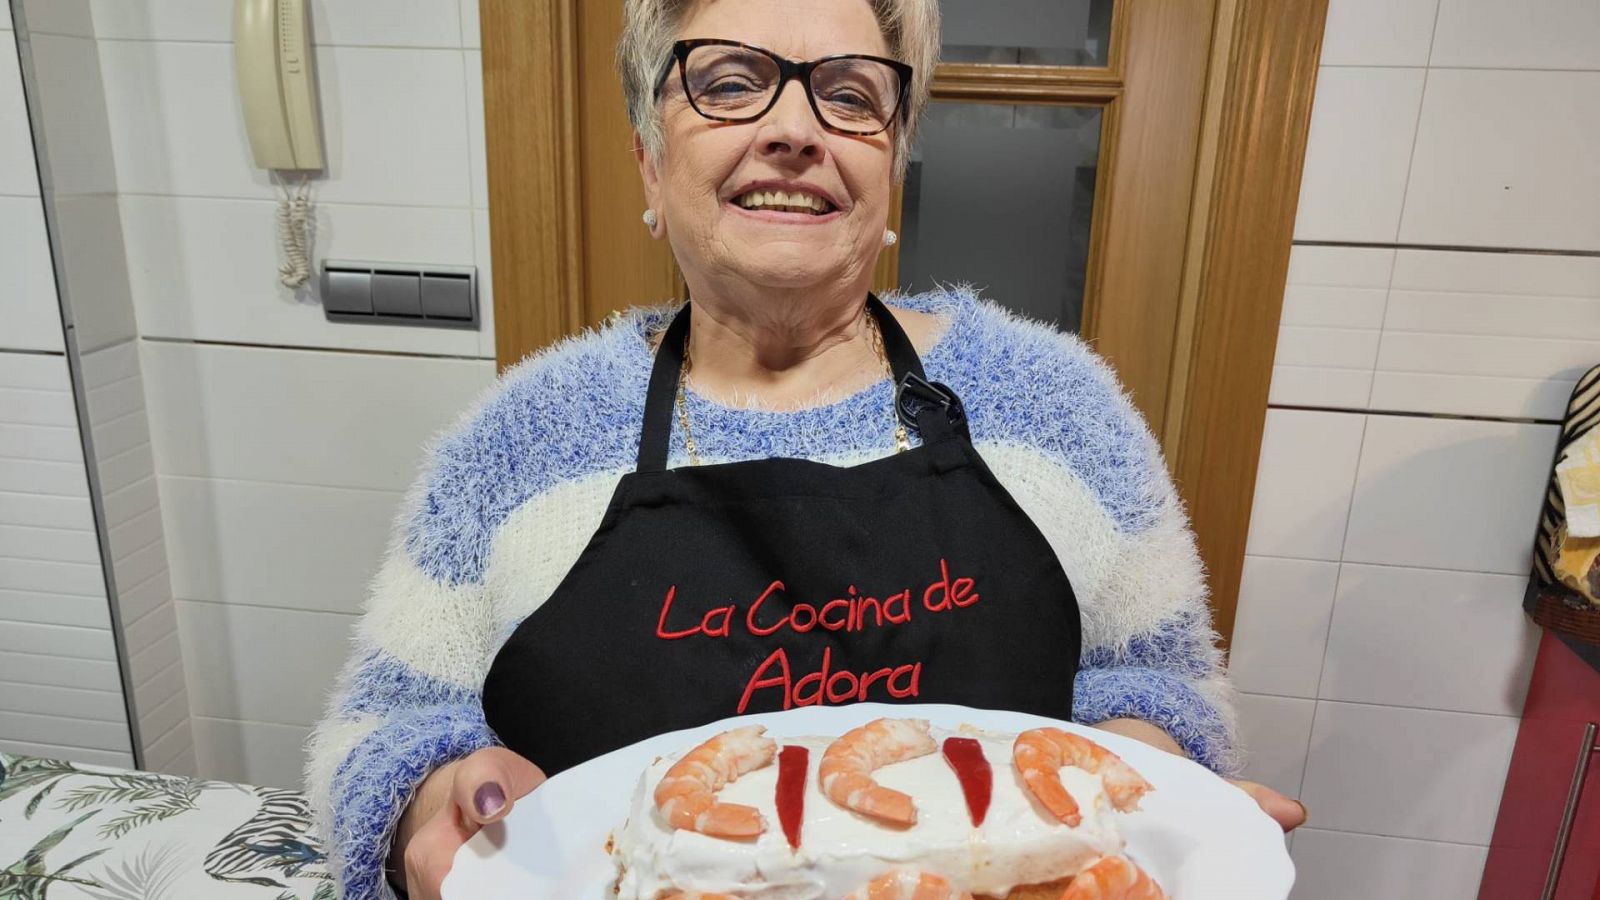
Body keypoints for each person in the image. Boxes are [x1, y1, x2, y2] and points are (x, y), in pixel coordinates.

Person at [307, 1, 1306, 897]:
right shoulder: (519, 439)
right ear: (650, 159)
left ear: (893, 159)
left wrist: (1153, 789)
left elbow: (1161, 681)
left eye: (848, 96)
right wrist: (428, 803)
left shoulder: (1058, 408)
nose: (793, 131)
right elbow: (384, 724)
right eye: (730, 84)